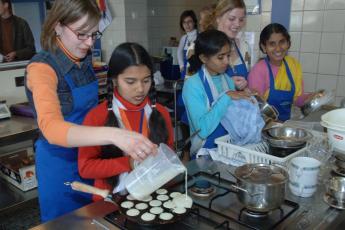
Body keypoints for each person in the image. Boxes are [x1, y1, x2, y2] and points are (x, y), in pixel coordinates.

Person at [24, 0, 156, 222]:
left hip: (90, 159)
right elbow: (52, 129)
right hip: (60, 165)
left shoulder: (83, 61)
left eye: (94, 34)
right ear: (57, 26)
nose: (88, 43)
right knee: (66, 223)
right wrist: (114, 135)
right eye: (81, 34)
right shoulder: (41, 68)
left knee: (94, 220)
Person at [78, 42, 174, 201]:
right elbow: (85, 168)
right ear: (115, 80)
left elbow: (168, 152)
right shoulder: (97, 117)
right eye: (131, 82)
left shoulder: (160, 112)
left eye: (146, 80)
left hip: (153, 194)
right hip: (111, 199)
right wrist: (128, 163)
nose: (140, 89)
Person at [182, 30, 251, 158]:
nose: (226, 61)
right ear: (203, 58)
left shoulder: (227, 80)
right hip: (204, 153)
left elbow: (232, 116)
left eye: (228, 55)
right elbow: (202, 130)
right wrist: (227, 97)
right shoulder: (193, 86)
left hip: (227, 148)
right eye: (220, 57)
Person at [248, 23, 311, 121]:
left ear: (288, 43)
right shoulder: (258, 70)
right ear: (264, 47)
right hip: (262, 126)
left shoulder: (293, 65)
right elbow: (255, 105)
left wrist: (311, 97)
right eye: (272, 44)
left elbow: (298, 99)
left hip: (284, 125)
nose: (278, 48)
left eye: (282, 42)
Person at [204, 0, 251, 90]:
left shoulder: (244, 47)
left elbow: (247, 82)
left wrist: (246, 88)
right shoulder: (201, 46)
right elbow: (191, 89)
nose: (237, 24)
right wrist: (227, 83)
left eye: (241, 20)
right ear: (218, 18)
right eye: (231, 19)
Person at [177, 10, 198, 79]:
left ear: (194, 22)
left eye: (189, 21)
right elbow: (179, 52)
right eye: (184, 22)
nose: (187, 25)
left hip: (197, 70)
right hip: (185, 69)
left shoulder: (200, 36)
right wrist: (181, 66)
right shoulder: (184, 38)